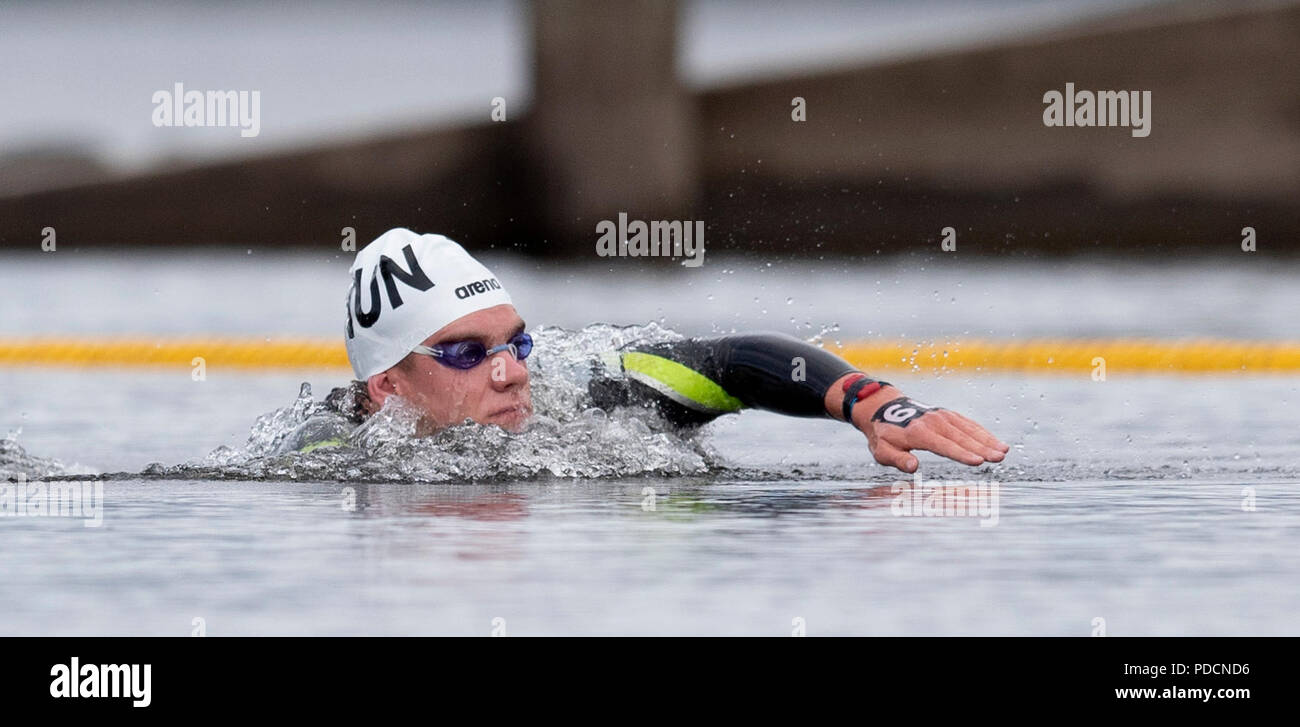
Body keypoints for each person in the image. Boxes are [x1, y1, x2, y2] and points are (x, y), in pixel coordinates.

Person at [291, 228, 1009, 472]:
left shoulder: (588, 391)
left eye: (517, 341)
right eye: (465, 353)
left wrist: (875, 403)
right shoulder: (323, 456)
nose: (512, 373)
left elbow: (727, 363)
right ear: (387, 386)